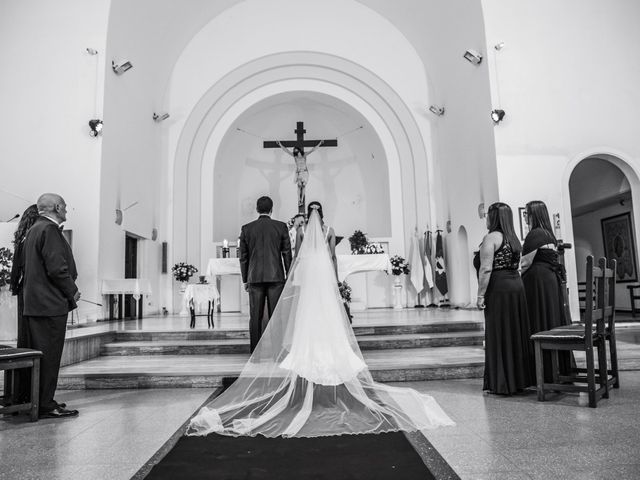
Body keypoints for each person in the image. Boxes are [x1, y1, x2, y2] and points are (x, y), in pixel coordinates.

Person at [187, 208, 454, 438]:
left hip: (290, 275)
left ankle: (264, 353)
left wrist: (293, 274)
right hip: (314, 276)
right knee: (318, 313)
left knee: (265, 317)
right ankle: (306, 351)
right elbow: (314, 256)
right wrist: (328, 278)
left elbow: (293, 256)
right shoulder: (300, 230)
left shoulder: (290, 231)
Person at [22, 193, 80, 418]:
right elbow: (57, 268)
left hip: (37, 304)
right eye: (64, 206)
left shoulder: (33, 229)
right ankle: (46, 404)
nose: (66, 210)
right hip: (50, 304)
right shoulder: (49, 230)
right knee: (50, 356)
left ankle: (40, 400)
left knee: (42, 355)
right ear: (56, 207)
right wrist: (72, 291)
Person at [474, 202, 534, 395]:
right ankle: (519, 379)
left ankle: (501, 382)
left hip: (499, 287)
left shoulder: (491, 237)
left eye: (488, 215)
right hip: (516, 286)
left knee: (499, 332)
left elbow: (486, 268)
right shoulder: (514, 239)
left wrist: (480, 294)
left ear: (494, 217)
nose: (486, 219)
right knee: (515, 331)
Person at [521, 200, 573, 382]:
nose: (525, 217)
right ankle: (557, 369)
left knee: (540, 322)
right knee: (550, 320)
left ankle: (544, 373)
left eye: (527, 213)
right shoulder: (548, 234)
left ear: (534, 214)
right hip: (549, 281)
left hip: (538, 282)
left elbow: (525, 263)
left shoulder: (535, 234)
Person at [239, 196, 292, 353]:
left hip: (254, 278)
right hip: (276, 277)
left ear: (257, 209)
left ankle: (255, 354)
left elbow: (243, 257)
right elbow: (287, 254)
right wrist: (288, 275)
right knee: (276, 317)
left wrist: (245, 279)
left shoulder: (247, 228)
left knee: (255, 317)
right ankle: (277, 353)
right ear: (272, 209)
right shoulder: (281, 227)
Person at [9, 204, 39, 405]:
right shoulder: (31, 241)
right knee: (29, 343)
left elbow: (15, 274)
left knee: (25, 341)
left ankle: (23, 394)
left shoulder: (22, 240)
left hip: (24, 294)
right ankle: (25, 395)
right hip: (31, 295)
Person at [277, 141, 324, 210]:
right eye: (294, 151)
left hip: (305, 173)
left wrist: (319, 144)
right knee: (299, 186)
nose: (295, 152)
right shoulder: (295, 157)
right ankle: (299, 200)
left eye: (296, 150)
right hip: (299, 173)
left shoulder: (304, 155)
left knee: (303, 185)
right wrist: (280, 144)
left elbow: (313, 150)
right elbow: (286, 150)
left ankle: (301, 199)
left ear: (299, 150)